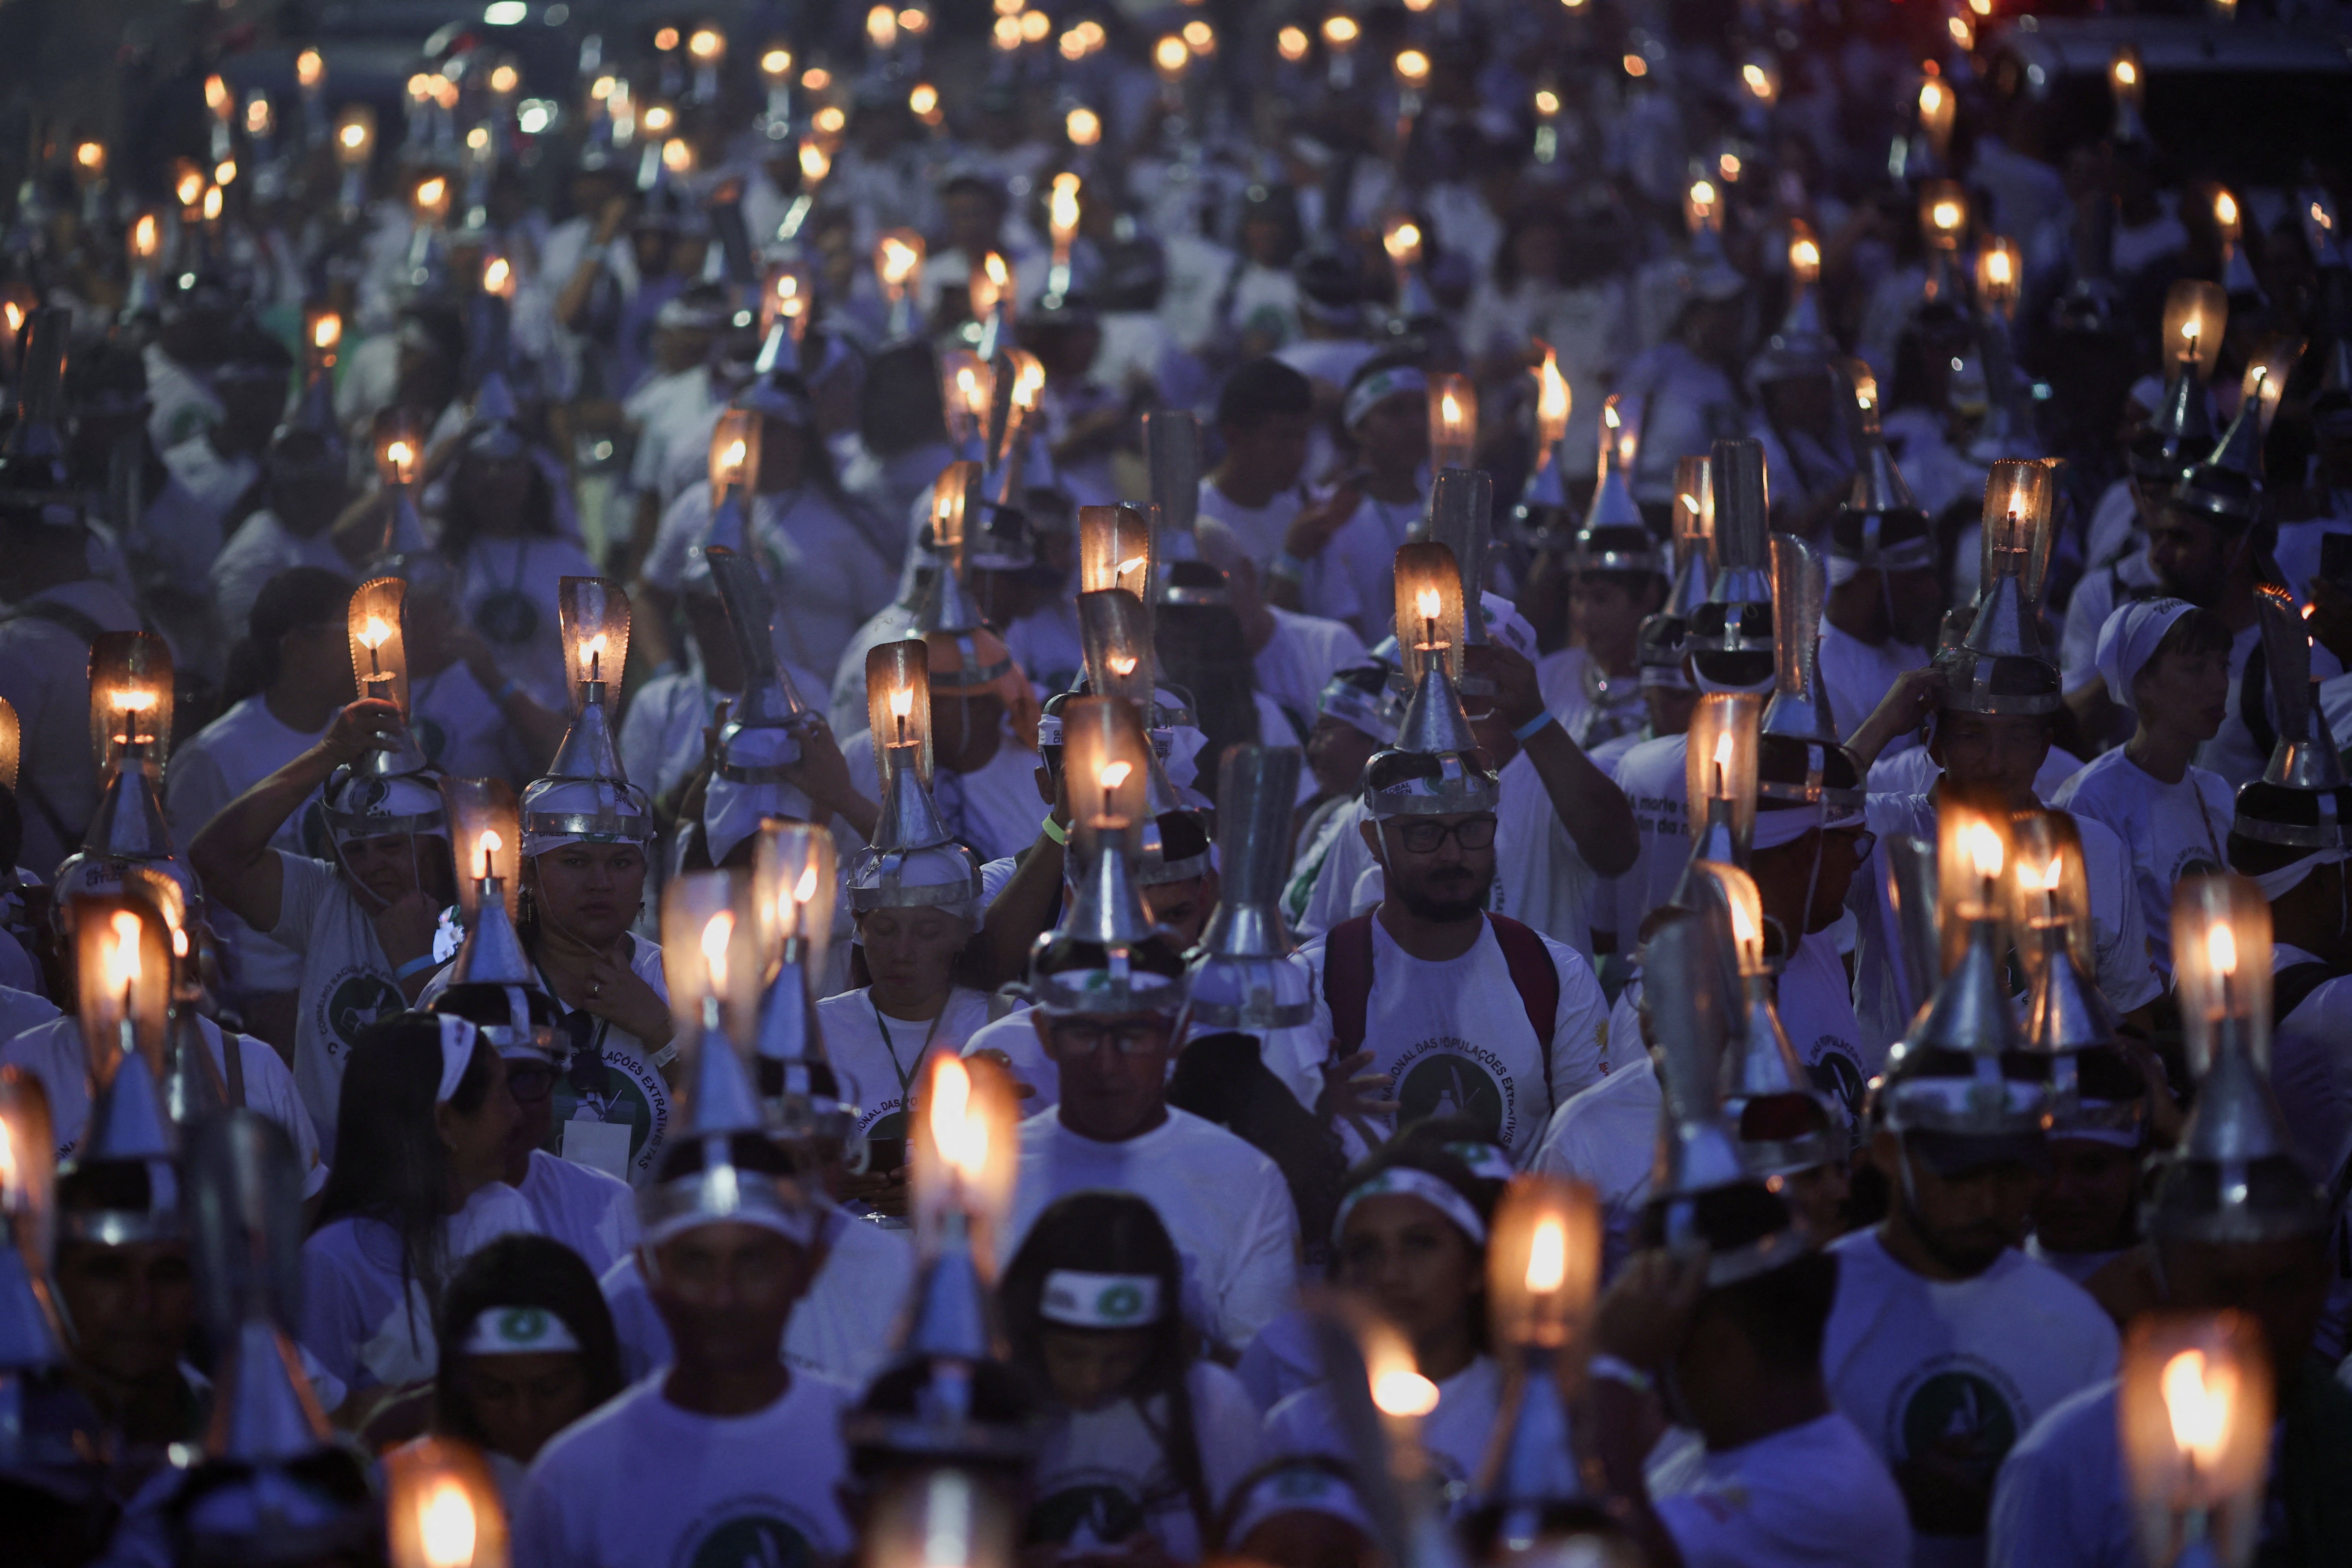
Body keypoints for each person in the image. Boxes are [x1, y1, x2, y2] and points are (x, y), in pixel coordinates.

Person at [1989, 908, 2352, 1564]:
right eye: (2222, 1287)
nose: (2251, 1319)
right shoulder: (2064, 1463)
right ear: (2154, 1279)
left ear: (2321, 1283)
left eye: (2281, 1284)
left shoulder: (2336, 1438)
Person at [1821, 953, 2119, 1565]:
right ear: (1886, 1152)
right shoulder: (1813, 1308)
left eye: (2011, 1174)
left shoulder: (2079, 1331)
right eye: (1960, 1174)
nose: (1989, 1200)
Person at [1294, 628, 1616, 1161]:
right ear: (1375, 840)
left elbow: (1592, 1150)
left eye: (1471, 830)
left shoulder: (1556, 976)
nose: (1452, 855)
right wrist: (1311, 1114)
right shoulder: (1316, 981)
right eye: (1424, 834)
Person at [514, 1107, 854, 1568]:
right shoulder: (575, 1477)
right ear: (649, 1272)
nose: (724, 1296)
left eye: (753, 1261)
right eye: (696, 1262)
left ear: (805, 1268)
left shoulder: (870, 1451)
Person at [995, 930, 1302, 1355]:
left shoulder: (1246, 1178)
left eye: (1134, 1033)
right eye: (1082, 1031)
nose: (1106, 1064)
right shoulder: (990, 1170)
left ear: (1177, 1034)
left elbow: (1262, 1370)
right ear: (1045, 1033)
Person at [189, 696, 456, 1152]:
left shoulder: (484, 915)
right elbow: (216, 859)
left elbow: (469, 1058)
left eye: (391, 847)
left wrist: (416, 967)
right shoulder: (328, 894)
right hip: (329, 1175)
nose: (371, 866)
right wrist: (330, 752)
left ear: (437, 845)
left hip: (435, 1167)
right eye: (355, 851)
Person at [1005, 1192, 1268, 1562]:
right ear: (1031, 1334)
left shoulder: (1212, 1404)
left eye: (1123, 1358)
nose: (1093, 1379)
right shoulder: (984, 1406)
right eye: (1070, 1355)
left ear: (1158, 1341)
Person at [298, 1014, 539, 1411]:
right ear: (444, 1123)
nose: (517, 1114)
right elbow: (320, 1420)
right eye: (501, 1096)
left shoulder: (507, 1213)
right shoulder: (333, 1262)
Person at [164, 566, 354, 1047]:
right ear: (297, 643)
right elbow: (182, 891)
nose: (360, 649)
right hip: (262, 1007)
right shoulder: (218, 753)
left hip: (354, 981)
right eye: (347, 633)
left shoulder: (362, 735)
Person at [1256, 1142, 1504, 1495]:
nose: (1390, 1274)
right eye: (1365, 1250)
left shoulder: (1531, 1419)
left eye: (1420, 1243)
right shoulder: (1297, 1429)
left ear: (1478, 1267)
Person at [2051, 598, 2235, 980]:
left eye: (2223, 665)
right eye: (2196, 668)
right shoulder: (2093, 798)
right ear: (2143, 683)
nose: (2220, 684)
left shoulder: (2215, 792)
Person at [413, 1234, 628, 1504]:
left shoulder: (650, 1485)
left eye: (550, 1390)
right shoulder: (412, 1490)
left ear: (595, 1375)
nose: (524, 1416)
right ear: (459, 1383)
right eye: (494, 1392)